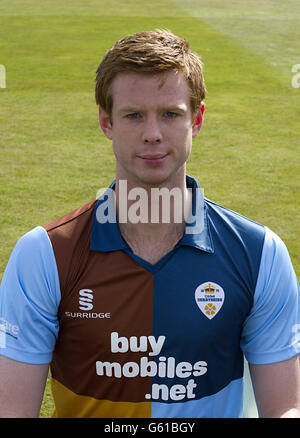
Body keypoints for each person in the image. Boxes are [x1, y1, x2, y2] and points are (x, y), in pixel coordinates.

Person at [0, 29, 299, 419]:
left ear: (197, 120)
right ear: (107, 123)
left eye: (170, 114)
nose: (152, 134)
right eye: (134, 115)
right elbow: (13, 410)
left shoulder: (260, 253)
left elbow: (285, 408)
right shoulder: (44, 255)